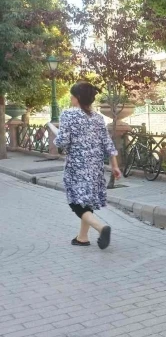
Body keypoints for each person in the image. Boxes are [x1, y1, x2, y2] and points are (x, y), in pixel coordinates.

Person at [54, 81, 123, 250]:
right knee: (86, 202)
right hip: (95, 167)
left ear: (77, 97)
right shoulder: (98, 118)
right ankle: (82, 238)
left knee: (76, 203)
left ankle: (101, 227)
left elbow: (62, 141)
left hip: (76, 167)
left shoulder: (68, 115)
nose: (70, 98)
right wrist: (115, 166)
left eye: (72, 95)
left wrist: (56, 137)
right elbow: (107, 143)